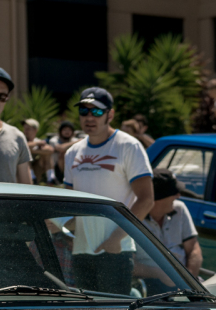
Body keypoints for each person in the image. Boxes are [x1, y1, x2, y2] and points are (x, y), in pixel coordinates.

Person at [62, 87, 154, 294]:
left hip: (116, 250)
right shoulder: (72, 153)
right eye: (84, 111)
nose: (89, 117)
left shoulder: (129, 146)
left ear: (110, 115)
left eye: (96, 111)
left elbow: (146, 199)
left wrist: (116, 238)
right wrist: (61, 226)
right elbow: (68, 204)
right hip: (81, 251)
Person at [142, 169, 202, 277]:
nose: (178, 196)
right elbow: (130, 264)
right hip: (150, 283)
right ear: (158, 198)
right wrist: (160, 274)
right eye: (173, 193)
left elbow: (193, 249)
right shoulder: (135, 218)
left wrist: (189, 280)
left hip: (184, 282)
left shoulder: (180, 209)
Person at [23, 118, 55, 184]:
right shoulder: (22, 140)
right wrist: (37, 145)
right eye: (25, 129)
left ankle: (51, 178)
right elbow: (23, 146)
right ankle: (32, 178)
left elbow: (50, 150)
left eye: (28, 129)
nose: (25, 131)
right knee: (25, 157)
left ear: (35, 130)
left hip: (37, 169)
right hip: (23, 171)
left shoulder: (37, 140)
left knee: (46, 155)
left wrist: (33, 150)